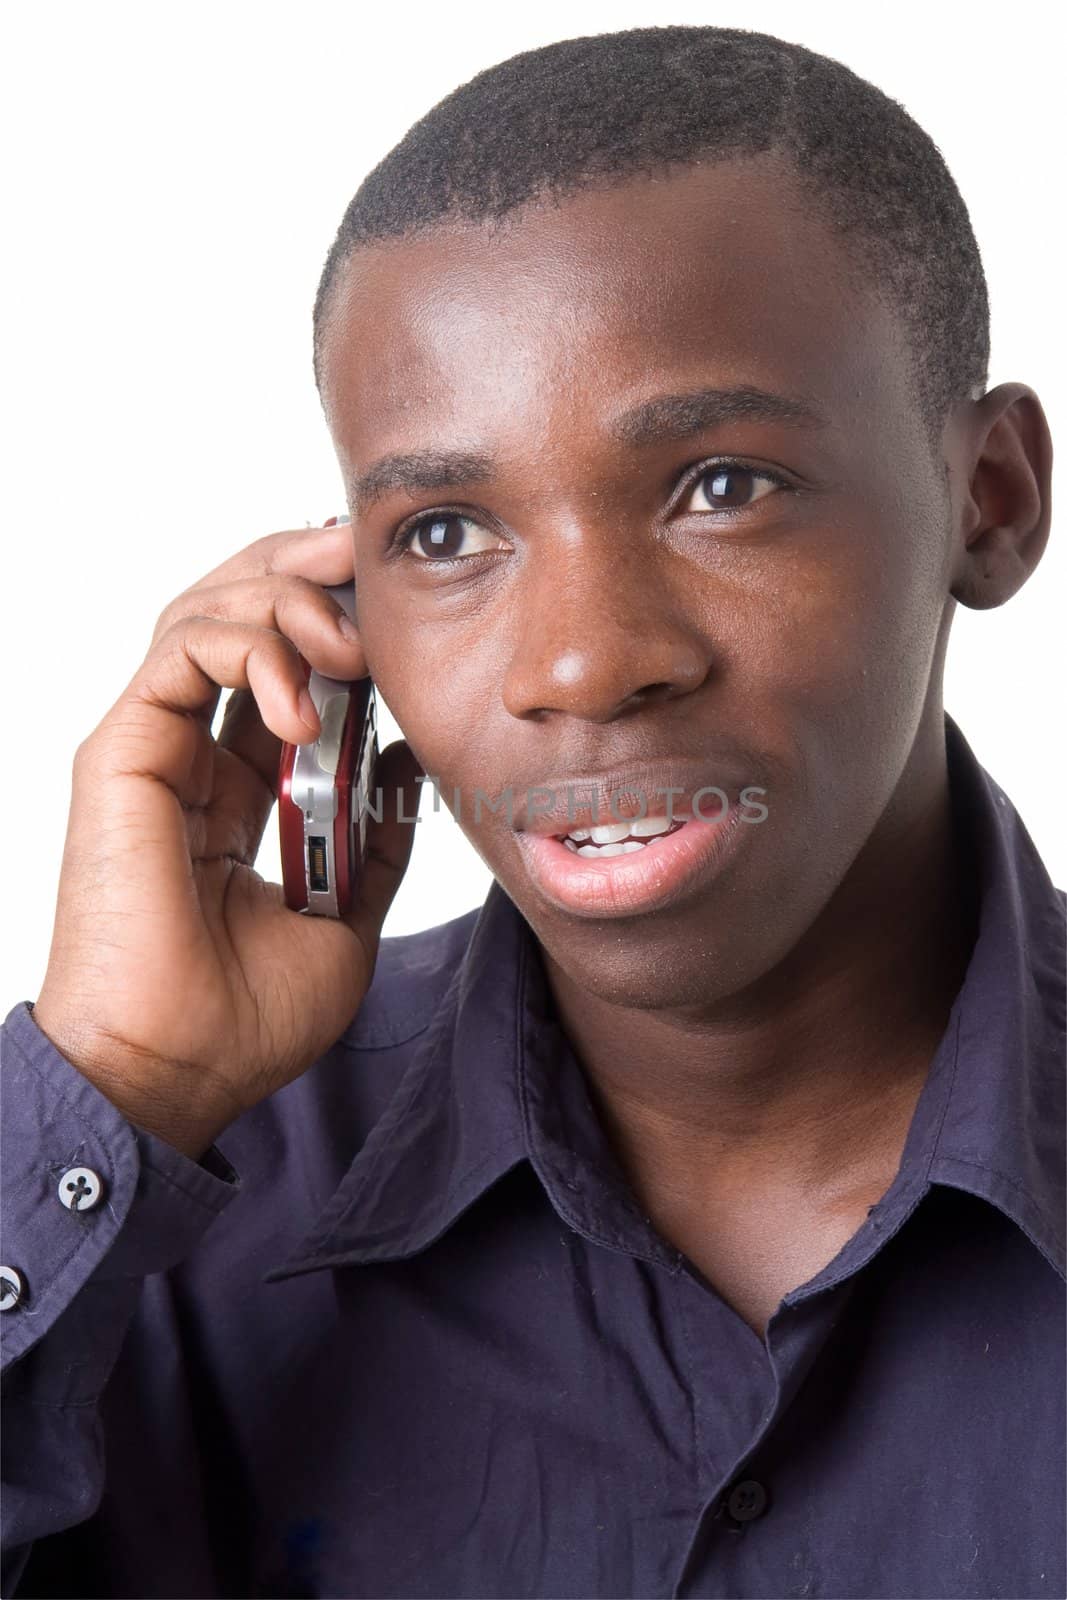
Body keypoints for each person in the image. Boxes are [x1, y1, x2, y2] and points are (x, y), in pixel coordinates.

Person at [1, 22, 1062, 1600]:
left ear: (987, 501)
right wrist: (117, 1086)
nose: (580, 660)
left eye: (722, 486)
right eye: (444, 530)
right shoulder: (180, 1209)